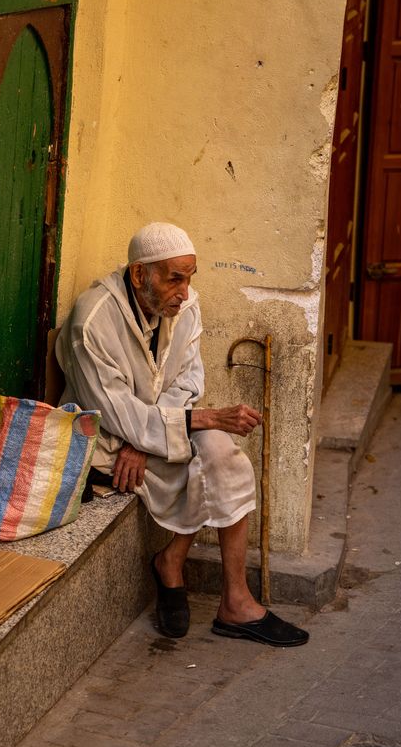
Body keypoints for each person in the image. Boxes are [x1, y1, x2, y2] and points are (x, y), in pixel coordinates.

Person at [56, 222, 309, 647]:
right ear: (140, 274)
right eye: (174, 278)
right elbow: (116, 414)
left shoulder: (185, 306)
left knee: (222, 454)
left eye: (190, 277)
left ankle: (233, 600)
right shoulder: (93, 321)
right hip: (108, 446)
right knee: (204, 446)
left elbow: (187, 385)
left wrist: (147, 439)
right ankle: (170, 564)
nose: (185, 291)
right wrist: (176, 426)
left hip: (146, 437)